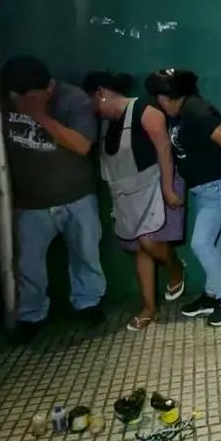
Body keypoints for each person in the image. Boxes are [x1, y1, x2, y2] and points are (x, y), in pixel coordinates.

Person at [0, 56, 105, 340]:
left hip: (75, 195)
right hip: (29, 199)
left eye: (32, 97)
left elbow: (82, 146)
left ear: (49, 87)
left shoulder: (73, 100)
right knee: (28, 264)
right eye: (18, 97)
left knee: (85, 254)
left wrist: (41, 118)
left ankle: (88, 303)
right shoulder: (4, 98)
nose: (23, 102)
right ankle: (31, 313)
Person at [83, 71, 186, 331]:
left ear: (101, 93)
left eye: (90, 100)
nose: (90, 108)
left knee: (148, 241)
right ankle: (149, 308)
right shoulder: (104, 124)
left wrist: (168, 190)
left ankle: (175, 267)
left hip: (155, 184)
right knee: (140, 247)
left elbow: (165, 150)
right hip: (124, 193)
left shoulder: (146, 111)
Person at [147, 69, 221, 327]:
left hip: (219, 185)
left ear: (165, 97)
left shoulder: (196, 110)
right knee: (213, 242)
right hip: (205, 187)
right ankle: (212, 295)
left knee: (201, 244)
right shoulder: (181, 111)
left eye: (158, 97)